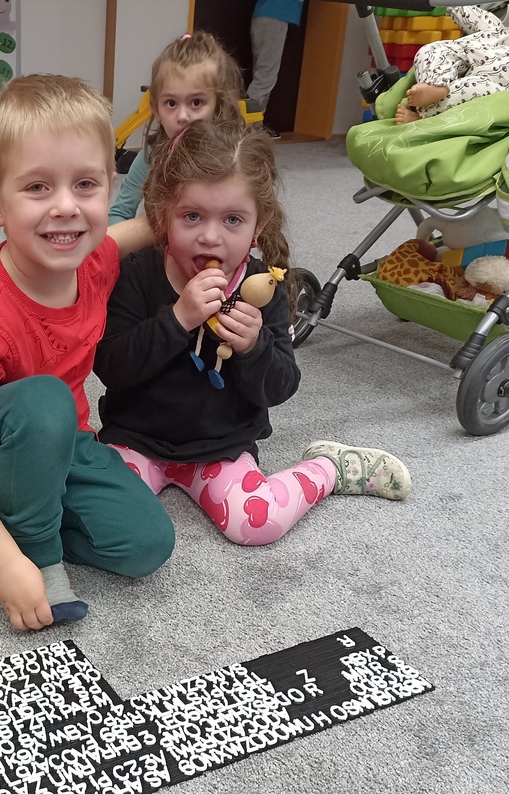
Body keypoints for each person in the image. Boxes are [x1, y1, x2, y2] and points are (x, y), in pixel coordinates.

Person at [0, 74, 175, 632]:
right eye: (38, 187)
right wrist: (6, 564)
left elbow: (135, 232)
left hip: (62, 441)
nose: (67, 207)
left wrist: (196, 225)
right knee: (46, 400)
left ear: (110, 187)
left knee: (146, 543)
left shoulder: (91, 259)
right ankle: (36, 550)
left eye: (85, 185)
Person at [95, 120, 411, 547]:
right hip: (136, 440)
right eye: (192, 216)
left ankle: (329, 468)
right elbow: (111, 367)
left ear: (258, 227)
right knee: (100, 514)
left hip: (220, 447)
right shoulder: (138, 273)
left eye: (232, 220)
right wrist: (177, 319)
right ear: (163, 215)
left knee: (256, 523)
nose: (210, 236)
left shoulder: (262, 288)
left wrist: (253, 346)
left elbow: (281, 386)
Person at [109, 31, 245, 225]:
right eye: (171, 103)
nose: (182, 116)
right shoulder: (151, 157)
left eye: (196, 102)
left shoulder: (235, 158)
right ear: (156, 108)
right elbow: (120, 213)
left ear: (218, 105)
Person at [395, 6, 509, 124]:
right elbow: (481, 20)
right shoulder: (508, 38)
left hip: (492, 86)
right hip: (468, 55)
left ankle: (423, 114)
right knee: (432, 50)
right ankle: (434, 84)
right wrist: (455, 6)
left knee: (473, 90)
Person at [247, 0, 304, 137]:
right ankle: (248, 126)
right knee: (265, 78)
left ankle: (254, 124)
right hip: (274, 18)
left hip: (267, 17)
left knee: (263, 76)